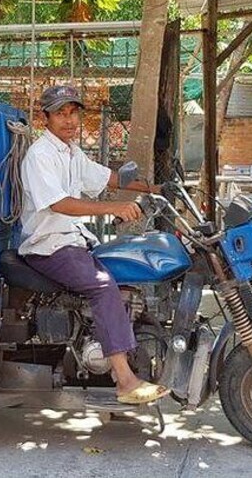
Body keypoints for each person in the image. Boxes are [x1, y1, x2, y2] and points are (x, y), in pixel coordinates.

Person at [18, 85, 168, 405]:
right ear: (45, 118)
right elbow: (59, 204)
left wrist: (157, 188)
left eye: (73, 113)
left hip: (73, 240)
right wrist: (113, 208)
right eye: (61, 113)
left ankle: (126, 350)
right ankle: (125, 380)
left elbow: (107, 179)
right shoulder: (40, 155)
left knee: (124, 270)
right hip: (48, 246)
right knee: (101, 286)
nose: (69, 120)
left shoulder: (72, 151)